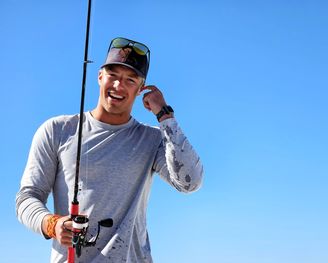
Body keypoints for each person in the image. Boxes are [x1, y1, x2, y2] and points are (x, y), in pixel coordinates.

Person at [16, 37, 203, 263]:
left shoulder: (152, 139)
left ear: (141, 88)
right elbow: (27, 198)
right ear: (100, 76)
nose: (118, 85)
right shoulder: (56, 130)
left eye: (130, 80)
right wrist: (52, 224)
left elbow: (189, 182)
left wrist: (164, 114)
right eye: (112, 75)